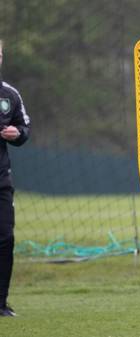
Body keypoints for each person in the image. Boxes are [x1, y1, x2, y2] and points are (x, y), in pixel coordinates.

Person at [0, 39, 31, 317]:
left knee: (5, 238)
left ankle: (0, 303)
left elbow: (24, 127)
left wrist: (18, 134)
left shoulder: (9, 94)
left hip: (1, 182)